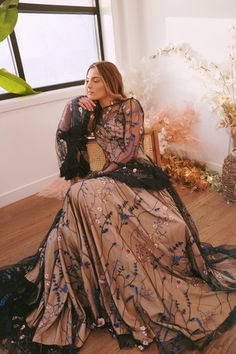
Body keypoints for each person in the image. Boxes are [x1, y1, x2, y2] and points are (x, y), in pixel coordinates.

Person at [1, 61, 236, 354]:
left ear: (110, 81)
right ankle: (94, 260)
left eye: (95, 80)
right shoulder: (90, 110)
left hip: (131, 171)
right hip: (105, 178)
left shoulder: (130, 105)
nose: (89, 85)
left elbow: (128, 148)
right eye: (86, 81)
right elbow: (66, 140)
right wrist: (76, 108)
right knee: (78, 193)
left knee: (83, 192)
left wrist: (105, 174)